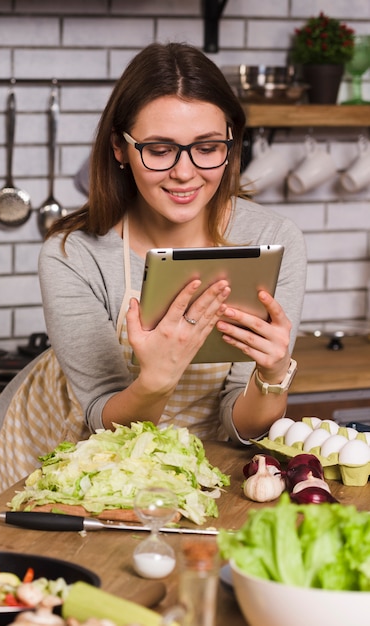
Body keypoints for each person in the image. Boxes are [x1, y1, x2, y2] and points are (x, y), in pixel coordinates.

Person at [39, 41, 307, 444]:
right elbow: (102, 418)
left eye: (207, 148)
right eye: (160, 150)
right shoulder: (74, 254)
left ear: (231, 144)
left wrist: (272, 374)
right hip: (83, 448)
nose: (185, 173)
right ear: (120, 148)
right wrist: (157, 379)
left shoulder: (271, 241)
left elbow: (241, 429)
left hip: (202, 457)